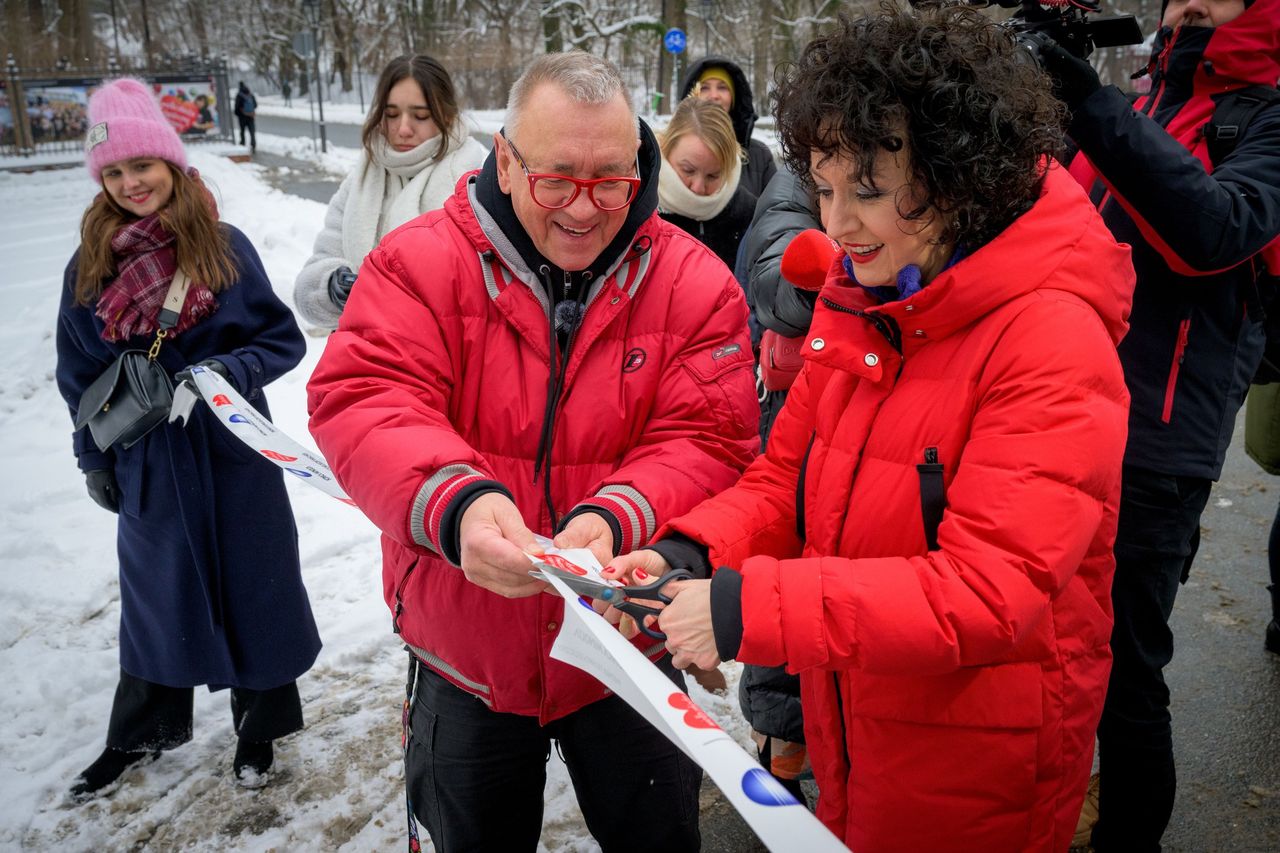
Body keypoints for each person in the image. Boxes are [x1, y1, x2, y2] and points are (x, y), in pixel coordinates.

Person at [603, 6, 1135, 850]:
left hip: (977, 757)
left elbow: (987, 593)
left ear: (959, 176)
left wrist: (743, 610)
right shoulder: (864, 297)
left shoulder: (1050, 339)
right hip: (856, 720)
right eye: (822, 188)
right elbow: (784, 480)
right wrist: (689, 557)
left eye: (869, 191)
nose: (837, 224)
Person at [306, 51, 759, 851]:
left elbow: (710, 436)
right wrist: (461, 504)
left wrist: (621, 514)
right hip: (463, 648)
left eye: (611, 181)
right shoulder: (416, 264)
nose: (584, 210)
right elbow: (366, 397)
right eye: (557, 179)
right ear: (506, 160)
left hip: (630, 642)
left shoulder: (695, 282)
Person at [1035, 0, 1280, 848]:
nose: (1194, 4)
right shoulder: (1150, 94)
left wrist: (1086, 103)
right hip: (1064, 411)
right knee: (1055, 640)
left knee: (1127, 668)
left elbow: (1212, 231)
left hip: (1160, 438)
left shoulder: (1269, 111)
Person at [55, 78, 320, 802]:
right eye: (114, 171)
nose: (130, 181)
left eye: (141, 164)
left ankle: (258, 730)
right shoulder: (91, 265)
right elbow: (79, 377)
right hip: (149, 465)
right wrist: (93, 462)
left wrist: (223, 370)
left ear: (169, 162)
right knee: (157, 602)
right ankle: (138, 733)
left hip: (234, 453)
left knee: (256, 592)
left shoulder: (223, 247)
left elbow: (280, 337)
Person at [293, 54, 487, 331]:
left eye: (420, 116)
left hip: (446, 357)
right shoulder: (362, 177)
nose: (403, 129)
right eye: (391, 114)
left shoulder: (474, 177)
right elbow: (315, 272)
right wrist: (333, 284)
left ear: (446, 115)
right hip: (362, 353)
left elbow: (489, 287)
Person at [656, 96, 757, 270]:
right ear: (665, 148)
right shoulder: (638, 205)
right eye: (688, 170)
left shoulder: (749, 212)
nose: (698, 188)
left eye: (713, 176)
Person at [679, 56, 777, 197]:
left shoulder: (760, 155)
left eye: (722, 87)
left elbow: (773, 210)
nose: (714, 96)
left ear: (734, 97)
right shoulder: (672, 150)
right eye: (704, 87)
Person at [233, 81, 256, 151]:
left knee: (242, 131)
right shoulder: (250, 94)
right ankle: (253, 143)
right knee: (252, 131)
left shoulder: (239, 95)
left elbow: (237, 107)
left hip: (242, 117)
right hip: (251, 116)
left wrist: (239, 114)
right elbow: (255, 104)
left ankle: (243, 143)